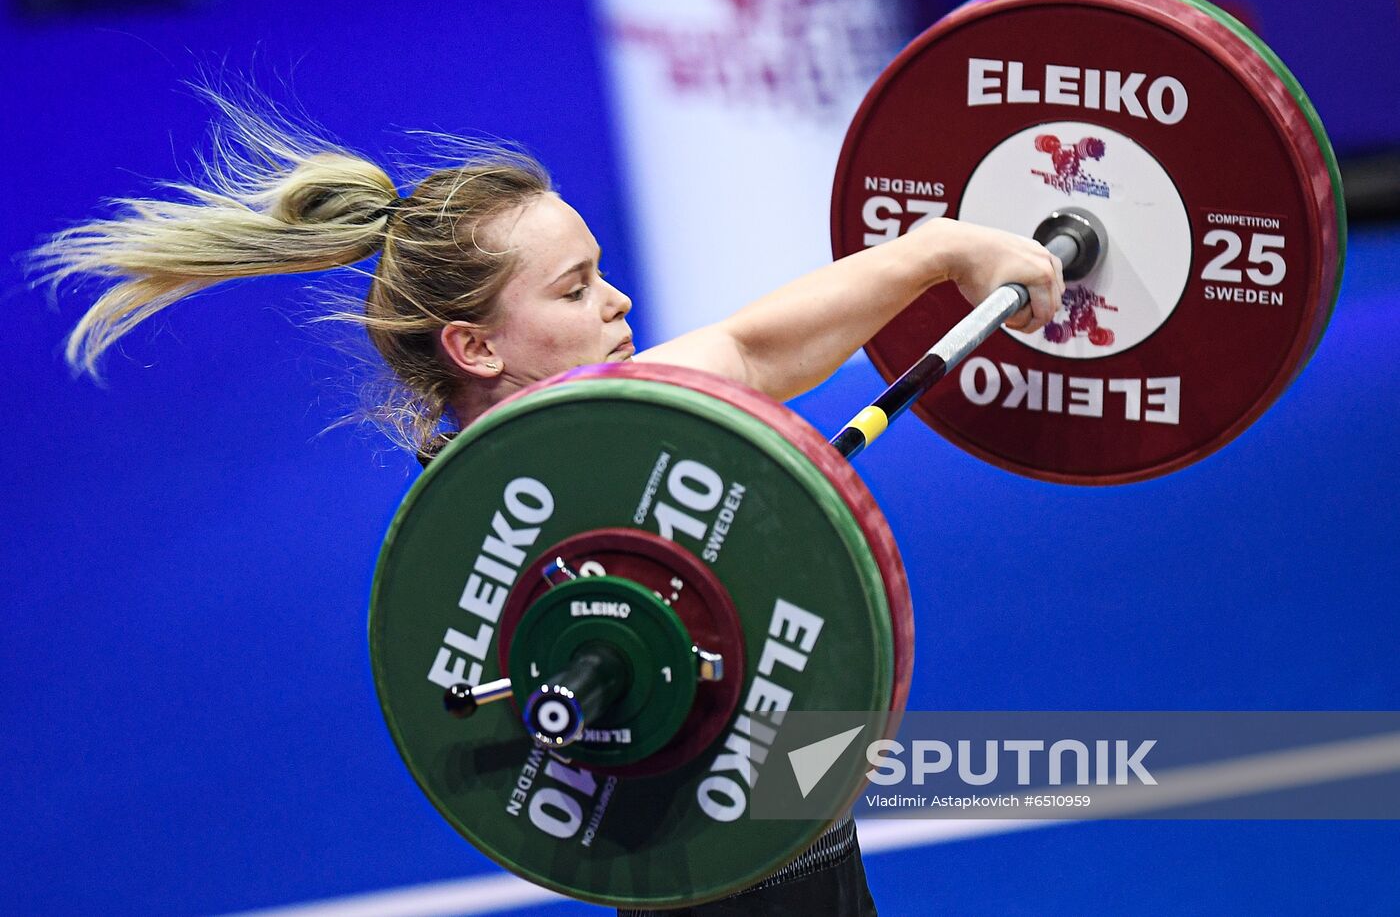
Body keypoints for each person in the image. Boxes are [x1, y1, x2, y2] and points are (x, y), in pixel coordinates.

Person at [32, 96, 1063, 915]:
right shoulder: (515, 499)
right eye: (573, 291)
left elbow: (749, 350)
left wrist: (935, 253)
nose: (614, 301)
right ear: (476, 348)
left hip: (787, 838)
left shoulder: (589, 435)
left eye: (599, 275)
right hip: (712, 865)